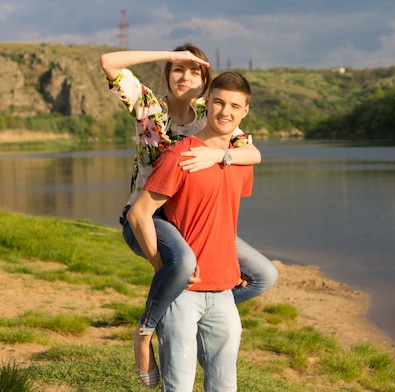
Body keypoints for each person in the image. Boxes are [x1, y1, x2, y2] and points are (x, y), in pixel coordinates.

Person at [99, 44, 278, 387]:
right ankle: (147, 329)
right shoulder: (151, 109)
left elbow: (252, 154)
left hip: (187, 218)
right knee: (180, 264)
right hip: (148, 216)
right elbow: (109, 62)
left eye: (195, 71)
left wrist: (219, 158)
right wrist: (168, 53)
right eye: (178, 69)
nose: (185, 76)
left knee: (262, 275)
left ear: (205, 85)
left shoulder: (209, 115)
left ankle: (191, 315)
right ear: (167, 74)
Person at [127, 70, 253, 391]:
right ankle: (143, 334)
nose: (226, 112)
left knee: (225, 386)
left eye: (234, 106)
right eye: (219, 103)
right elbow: (139, 214)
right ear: (206, 103)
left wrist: (229, 263)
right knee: (179, 385)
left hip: (224, 292)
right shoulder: (180, 155)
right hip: (183, 294)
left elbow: (223, 217)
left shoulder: (241, 161)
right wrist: (161, 265)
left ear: (245, 111)